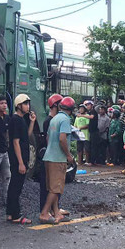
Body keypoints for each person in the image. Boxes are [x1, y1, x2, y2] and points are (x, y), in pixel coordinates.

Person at [40, 96, 76, 224]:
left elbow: (48, 138)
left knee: (52, 187)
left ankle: (56, 213)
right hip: (58, 158)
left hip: (49, 156)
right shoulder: (66, 119)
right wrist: (68, 155)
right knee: (56, 188)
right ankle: (44, 213)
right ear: (71, 109)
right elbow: (62, 139)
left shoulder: (54, 119)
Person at [6, 94, 36, 224]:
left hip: (19, 158)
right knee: (16, 187)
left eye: (28, 104)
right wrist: (21, 163)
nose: (28, 106)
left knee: (14, 185)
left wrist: (32, 121)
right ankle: (16, 215)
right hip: (18, 159)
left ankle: (10, 213)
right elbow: (16, 142)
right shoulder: (16, 120)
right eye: (25, 104)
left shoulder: (21, 119)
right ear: (19, 106)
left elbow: (26, 136)